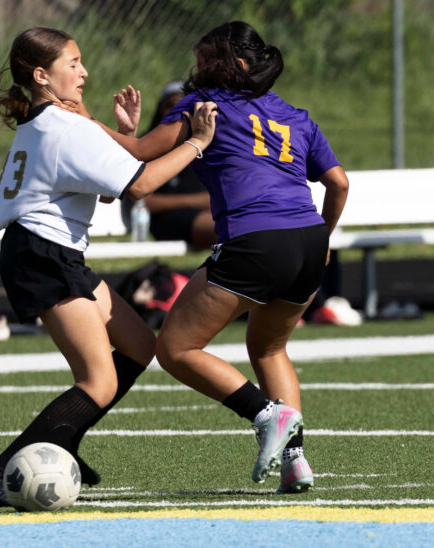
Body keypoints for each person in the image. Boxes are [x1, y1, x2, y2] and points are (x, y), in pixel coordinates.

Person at [0, 27, 217, 507]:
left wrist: (126, 138)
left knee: (141, 345)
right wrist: (197, 142)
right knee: (98, 380)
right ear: (42, 75)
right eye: (73, 63)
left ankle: (61, 444)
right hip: (43, 253)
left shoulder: (49, 123)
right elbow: (140, 188)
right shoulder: (65, 127)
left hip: (48, 251)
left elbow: (105, 188)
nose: (84, 72)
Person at [107, 21, 349, 493]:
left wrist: (75, 115)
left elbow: (138, 154)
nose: (196, 72)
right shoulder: (295, 114)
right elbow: (339, 183)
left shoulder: (204, 107)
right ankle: (295, 460)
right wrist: (323, 238)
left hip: (255, 239)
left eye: (205, 62)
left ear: (235, 65)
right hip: (308, 241)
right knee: (269, 347)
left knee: (175, 349)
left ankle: (263, 415)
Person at [120, 80, 217, 249]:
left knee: (245, 224)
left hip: (206, 214)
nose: (177, 112)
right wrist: (197, 201)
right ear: (160, 109)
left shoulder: (206, 143)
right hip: (166, 219)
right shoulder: (147, 146)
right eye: (170, 105)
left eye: (185, 106)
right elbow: (142, 201)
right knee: (228, 228)